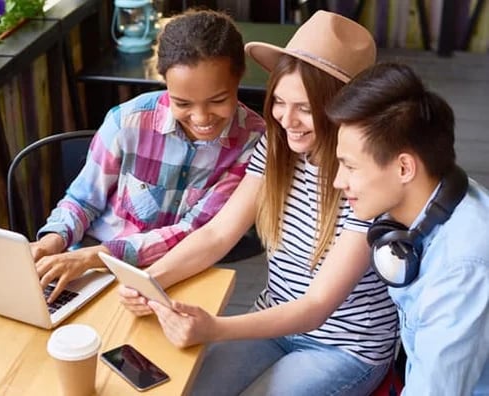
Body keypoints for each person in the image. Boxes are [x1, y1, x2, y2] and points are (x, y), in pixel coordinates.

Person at [120, 11, 398, 396]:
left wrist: (214, 328)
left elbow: (316, 306)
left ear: (343, 107)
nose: (287, 119)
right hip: (272, 320)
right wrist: (152, 282)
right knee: (188, 390)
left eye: (305, 107)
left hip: (343, 347)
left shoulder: (369, 176)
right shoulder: (278, 145)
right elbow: (219, 233)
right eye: (280, 102)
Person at [31, 9, 265, 303]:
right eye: (182, 103)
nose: (201, 117)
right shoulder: (127, 120)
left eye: (218, 100)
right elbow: (83, 200)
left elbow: (194, 231)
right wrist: (53, 239)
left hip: (176, 271)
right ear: (164, 80)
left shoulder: (254, 142)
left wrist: (99, 257)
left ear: (239, 77)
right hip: (90, 266)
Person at [327, 62, 489, 395]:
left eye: (350, 166)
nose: (337, 181)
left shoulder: (461, 268)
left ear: (404, 167)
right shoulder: (444, 198)